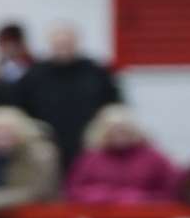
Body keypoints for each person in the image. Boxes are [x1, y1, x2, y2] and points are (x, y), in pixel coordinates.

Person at [9, 22, 122, 172]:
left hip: (89, 144)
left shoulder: (96, 71)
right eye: (59, 44)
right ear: (51, 45)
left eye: (68, 44)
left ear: (77, 43)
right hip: (46, 145)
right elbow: (19, 109)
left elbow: (113, 106)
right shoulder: (35, 73)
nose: (63, 49)